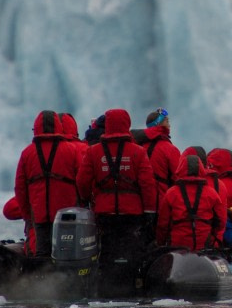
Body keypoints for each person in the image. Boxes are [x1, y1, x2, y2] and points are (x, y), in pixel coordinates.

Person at [77, 109, 157, 265]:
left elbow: (82, 180)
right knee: (131, 246)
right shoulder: (138, 152)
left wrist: (85, 199)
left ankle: (108, 280)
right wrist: (149, 210)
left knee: (107, 246)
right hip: (132, 211)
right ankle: (129, 279)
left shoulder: (94, 151)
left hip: (104, 210)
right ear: (127, 124)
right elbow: (147, 184)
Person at [14, 110, 81, 257]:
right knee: (67, 253)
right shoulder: (72, 151)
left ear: (36, 127)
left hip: (39, 215)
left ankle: (42, 277)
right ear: (58, 126)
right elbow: (82, 182)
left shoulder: (27, 153)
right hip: (67, 216)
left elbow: (20, 188)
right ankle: (67, 279)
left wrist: (27, 216)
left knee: (42, 252)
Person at [156, 153, 225, 251]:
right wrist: (213, 238)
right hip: (204, 246)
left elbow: (163, 224)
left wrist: (161, 243)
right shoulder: (212, 193)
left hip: (177, 247)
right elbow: (221, 221)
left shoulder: (171, 193)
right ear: (201, 170)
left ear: (181, 169)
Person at [142, 107, 180, 209]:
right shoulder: (170, 149)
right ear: (158, 124)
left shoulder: (138, 146)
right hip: (161, 202)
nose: (169, 125)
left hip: (140, 203)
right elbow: (178, 177)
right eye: (167, 121)